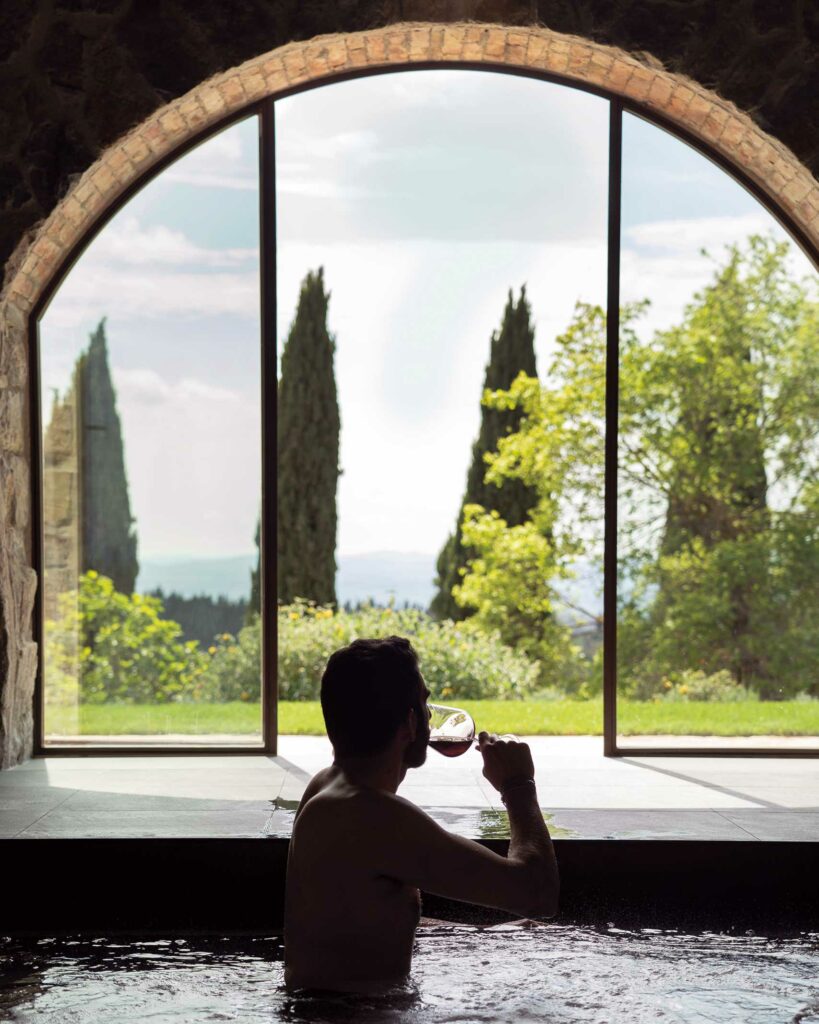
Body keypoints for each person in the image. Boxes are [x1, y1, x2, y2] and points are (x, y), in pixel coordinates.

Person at [283, 635, 559, 994]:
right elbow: (538, 893)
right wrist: (519, 786)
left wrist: (483, 935)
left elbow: (358, 927)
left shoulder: (326, 787)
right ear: (412, 724)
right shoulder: (371, 816)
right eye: (426, 705)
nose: (431, 718)